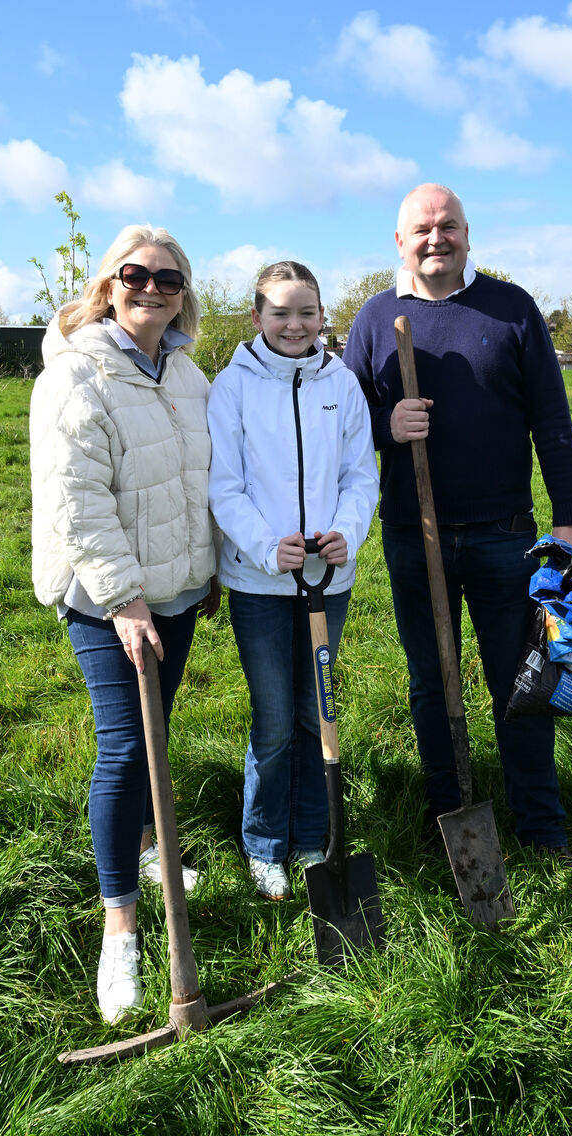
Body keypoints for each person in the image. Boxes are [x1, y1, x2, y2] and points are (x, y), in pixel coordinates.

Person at [342, 183, 572, 857]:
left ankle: (541, 826)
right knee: (430, 681)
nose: (434, 238)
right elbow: (338, 424)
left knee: (519, 678)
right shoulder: (373, 320)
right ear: (399, 242)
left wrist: (569, 517)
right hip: (411, 534)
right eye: (420, 229)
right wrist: (385, 425)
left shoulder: (510, 309)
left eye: (447, 226)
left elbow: (551, 417)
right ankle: (450, 811)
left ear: (467, 235)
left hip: (502, 532)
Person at [29, 224, 219, 1022]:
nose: (150, 288)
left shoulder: (187, 373)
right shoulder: (76, 374)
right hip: (104, 596)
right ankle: (120, 926)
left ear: (183, 296)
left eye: (167, 279)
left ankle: (147, 849)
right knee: (123, 746)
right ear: (108, 284)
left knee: (157, 730)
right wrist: (123, 597)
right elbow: (77, 499)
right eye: (134, 274)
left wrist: (204, 571)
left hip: (176, 588)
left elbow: (200, 474)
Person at [207, 262, 378, 901]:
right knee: (274, 719)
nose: (294, 324)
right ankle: (262, 843)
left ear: (322, 317)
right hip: (260, 584)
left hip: (327, 582)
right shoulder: (234, 387)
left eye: (306, 312)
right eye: (280, 312)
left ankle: (312, 837)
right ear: (257, 317)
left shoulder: (343, 385)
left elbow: (361, 475)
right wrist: (263, 545)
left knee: (316, 715)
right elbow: (223, 483)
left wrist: (345, 534)